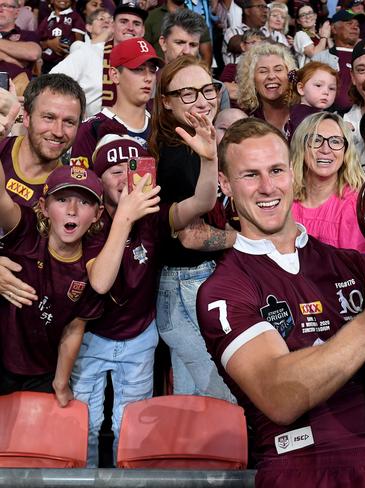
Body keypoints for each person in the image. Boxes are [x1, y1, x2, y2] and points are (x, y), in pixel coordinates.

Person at [196, 117, 365, 487]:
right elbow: (279, 396)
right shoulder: (223, 289)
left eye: (276, 170)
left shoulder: (351, 264)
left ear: (292, 171)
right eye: (250, 175)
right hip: (298, 469)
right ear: (225, 183)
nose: (268, 187)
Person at [72, 109, 221, 467]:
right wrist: (124, 216)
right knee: (83, 427)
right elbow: (101, 281)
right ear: (98, 178)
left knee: (131, 428)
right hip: (91, 337)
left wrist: (209, 159)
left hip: (139, 335)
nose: (126, 178)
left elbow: (202, 203)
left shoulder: (154, 214)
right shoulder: (90, 218)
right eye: (114, 171)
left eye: (132, 168)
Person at [151, 55, 236, 400]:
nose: (202, 100)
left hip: (185, 283)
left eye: (207, 89)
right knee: (221, 397)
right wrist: (248, 239)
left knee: (191, 401)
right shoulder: (179, 153)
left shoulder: (185, 145)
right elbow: (192, 235)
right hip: (186, 284)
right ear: (166, 102)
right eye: (188, 94)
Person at [0, 164, 104, 408]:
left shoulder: (91, 268)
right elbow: (2, 199)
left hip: (41, 372)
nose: (72, 210)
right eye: (63, 199)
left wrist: (61, 381)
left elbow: (75, 328)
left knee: (31, 441)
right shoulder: (25, 232)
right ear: (44, 207)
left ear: (97, 214)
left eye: (84, 203)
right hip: (1, 361)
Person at [0, 73, 85, 308]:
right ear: (25, 117)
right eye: (48, 117)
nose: (58, 131)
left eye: (69, 122)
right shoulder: (1, 150)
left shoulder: (69, 194)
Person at [290, 111, 365, 259]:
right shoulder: (284, 200)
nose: (325, 149)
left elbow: (356, 273)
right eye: (316, 140)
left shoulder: (355, 205)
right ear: (301, 147)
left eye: (335, 141)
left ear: (346, 151)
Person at [70, 37, 162, 165]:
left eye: (152, 70)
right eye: (138, 69)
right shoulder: (91, 129)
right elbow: (81, 183)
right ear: (114, 75)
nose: (148, 78)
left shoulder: (162, 125)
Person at [51, 3, 147, 117]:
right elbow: (51, 82)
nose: (130, 27)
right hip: (91, 131)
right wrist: (76, 111)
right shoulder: (88, 53)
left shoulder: (149, 65)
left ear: (143, 31)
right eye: (123, 22)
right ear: (113, 26)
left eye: (136, 24)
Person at [236, 42, 297, 134]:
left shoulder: (305, 111)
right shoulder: (245, 119)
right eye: (263, 71)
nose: (271, 76)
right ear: (251, 79)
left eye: (278, 69)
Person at [312, 8, 361, 114]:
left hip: (362, 116)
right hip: (331, 117)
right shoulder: (321, 59)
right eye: (349, 23)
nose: (355, 27)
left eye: (357, 25)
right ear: (334, 29)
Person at [144, 0, 212, 65]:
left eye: (193, 45)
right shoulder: (151, 17)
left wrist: (203, 74)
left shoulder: (198, 20)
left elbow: (206, 54)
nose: (186, 51)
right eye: (179, 43)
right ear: (163, 42)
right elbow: (144, 50)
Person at [286, 61, 337, 137]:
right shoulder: (303, 116)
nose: (326, 92)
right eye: (318, 85)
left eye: (331, 88)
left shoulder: (298, 111)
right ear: (301, 89)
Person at [0, 0, 41, 88]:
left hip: (14, 94)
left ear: (17, 12)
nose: (0, 9)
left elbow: (33, 53)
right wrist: (10, 57)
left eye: (5, 5)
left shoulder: (27, 35)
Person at [37, 0, 85, 73]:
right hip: (47, 63)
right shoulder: (47, 20)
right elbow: (38, 41)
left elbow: (79, 42)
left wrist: (71, 55)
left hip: (67, 62)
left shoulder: (75, 17)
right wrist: (49, 43)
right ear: (52, 1)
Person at [222, 0, 269, 65]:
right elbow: (239, 44)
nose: (265, 11)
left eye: (266, 7)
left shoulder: (269, 32)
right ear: (247, 11)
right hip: (237, 74)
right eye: (260, 6)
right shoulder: (233, 31)